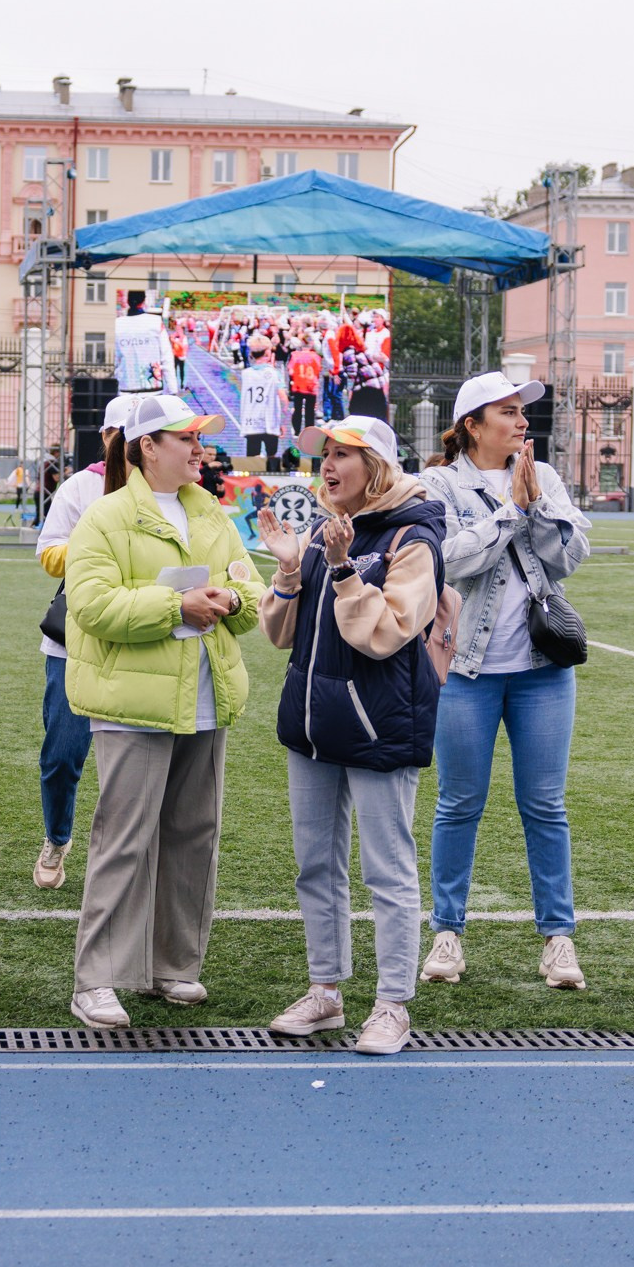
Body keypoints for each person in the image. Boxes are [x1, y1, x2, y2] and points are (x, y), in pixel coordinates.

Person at [63, 394, 265, 1028]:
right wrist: (175, 607)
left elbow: (253, 592)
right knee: (123, 841)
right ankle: (96, 979)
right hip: (133, 706)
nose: (198, 449)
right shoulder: (103, 517)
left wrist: (230, 601)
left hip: (206, 700)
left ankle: (172, 966)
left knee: (193, 836)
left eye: (199, 438)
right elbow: (92, 604)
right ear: (148, 447)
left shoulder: (214, 515)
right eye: (185, 438)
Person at [258, 417, 444, 1056]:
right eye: (325, 455)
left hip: (378, 727)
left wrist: (342, 571)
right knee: (315, 865)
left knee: (386, 870)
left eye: (343, 455)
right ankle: (325, 992)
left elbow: (386, 632)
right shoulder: (320, 532)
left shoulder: (413, 537)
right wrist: (288, 572)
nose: (328, 466)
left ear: (378, 468)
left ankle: (393, 1004)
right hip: (312, 726)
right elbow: (281, 636)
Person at [416, 372, 593, 993]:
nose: (523, 423)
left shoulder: (543, 477)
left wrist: (535, 505)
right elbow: (448, 559)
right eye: (509, 413)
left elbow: (570, 557)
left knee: (546, 806)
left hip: (542, 671)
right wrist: (512, 512)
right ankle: (447, 932)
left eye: (523, 413)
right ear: (472, 424)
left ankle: (558, 939)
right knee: (458, 804)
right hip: (465, 669)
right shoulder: (435, 484)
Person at [32, 394, 134, 888]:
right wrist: (99, 543)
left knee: (133, 762)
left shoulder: (169, 490)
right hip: (74, 642)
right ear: (107, 436)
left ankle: (119, 855)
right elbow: (48, 553)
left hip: (139, 643)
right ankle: (57, 837)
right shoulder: (82, 485)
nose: (126, 446)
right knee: (62, 756)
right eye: (120, 435)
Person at [111, 288, 175, 393]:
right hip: (153, 389)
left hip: (126, 388)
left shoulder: (117, 324)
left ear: (127, 301)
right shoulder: (155, 322)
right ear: (144, 301)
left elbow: (114, 359)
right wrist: (173, 389)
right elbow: (166, 356)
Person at [236, 338, 287, 462]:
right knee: (272, 460)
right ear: (268, 353)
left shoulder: (245, 374)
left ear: (251, 354)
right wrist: (283, 422)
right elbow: (283, 399)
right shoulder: (274, 374)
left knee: (252, 462)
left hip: (251, 422)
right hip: (270, 421)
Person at [286, 340, 322, 435]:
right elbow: (318, 369)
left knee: (297, 409)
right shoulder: (315, 356)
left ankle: (296, 431)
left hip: (298, 385)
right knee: (310, 410)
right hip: (311, 386)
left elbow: (291, 371)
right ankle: (309, 431)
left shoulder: (295, 355)